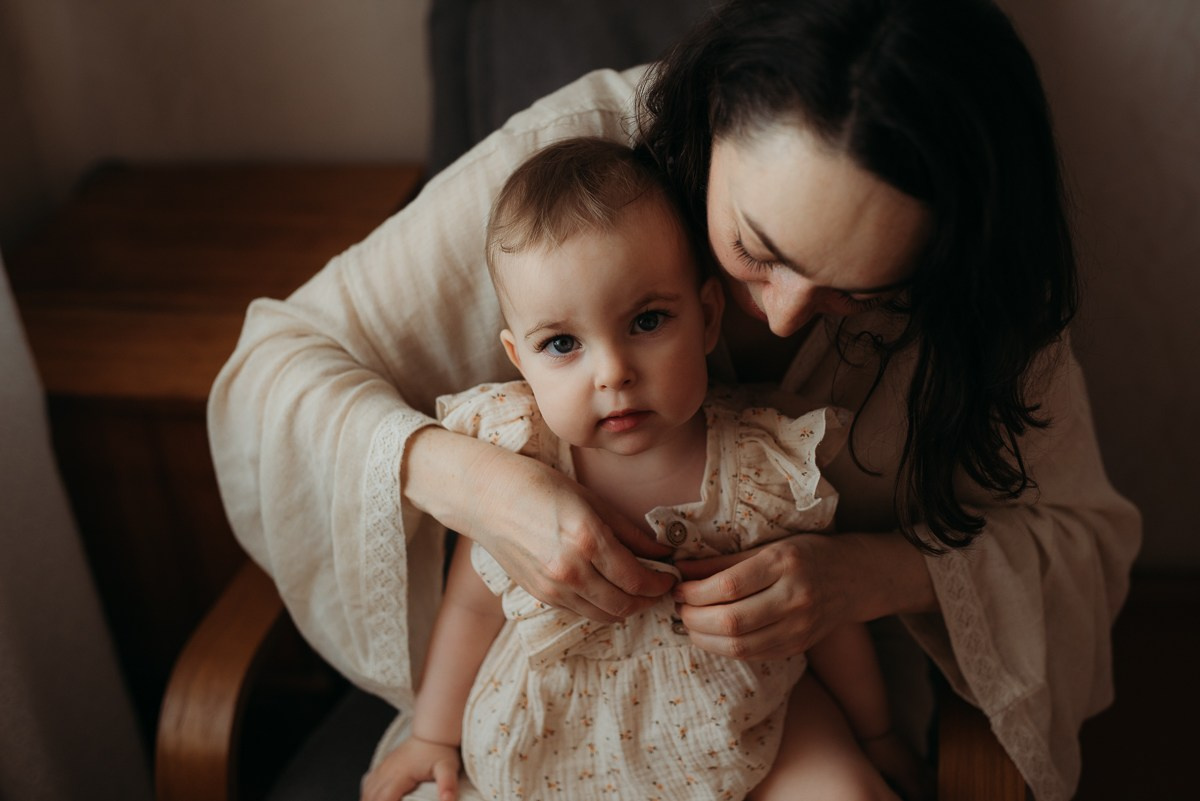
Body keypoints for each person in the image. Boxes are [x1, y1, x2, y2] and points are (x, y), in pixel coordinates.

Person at [207, 2, 1141, 799]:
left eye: (858, 293)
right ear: (716, 114)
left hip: (773, 707)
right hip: (552, 712)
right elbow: (271, 374)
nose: (778, 323)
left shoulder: (974, 283)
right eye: (757, 248)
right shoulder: (572, 183)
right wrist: (476, 487)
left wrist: (869, 575)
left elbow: (1078, 542)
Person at [359, 137, 924, 801]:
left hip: (746, 722)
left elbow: (825, 613)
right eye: (562, 344)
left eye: (647, 320)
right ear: (519, 358)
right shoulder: (522, 457)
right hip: (557, 738)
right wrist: (433, 734)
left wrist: (878, 733)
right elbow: (470, 608)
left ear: (708, 317)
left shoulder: (761, 462)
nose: (613, 372)